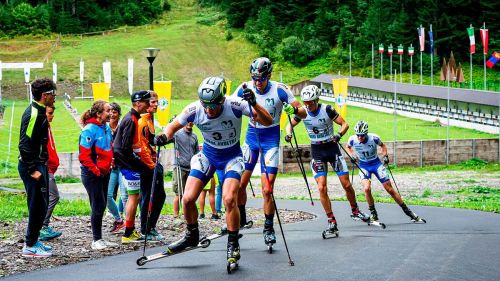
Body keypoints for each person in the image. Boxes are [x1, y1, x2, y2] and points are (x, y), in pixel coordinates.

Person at [163, 76, 272, 264]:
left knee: (230, 199)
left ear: (222, 100)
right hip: (207, 155)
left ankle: (233, 242)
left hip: (232, 157)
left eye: (213, 106)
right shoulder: (195, 109)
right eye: (205, 105)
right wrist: (162, 137)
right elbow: (172, 127)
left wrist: (254, 104)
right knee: (187, 199)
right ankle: (191, 234)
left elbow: (267, 121)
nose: (208, 110)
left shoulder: (236, 104)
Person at [233, 57, 304, 245]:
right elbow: (229, 106)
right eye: (254, 78)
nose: (257, 82)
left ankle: (268, 227)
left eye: (261, 78)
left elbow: (303, 112)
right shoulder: (245, 88)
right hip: (251, 137)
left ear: (269, 75)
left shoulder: (280, 89)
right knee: (239, 184)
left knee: (267, 190)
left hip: (271, 140)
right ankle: (241, 219)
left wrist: (293, 110)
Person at [285, 85, 369, 235]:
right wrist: (289, 134)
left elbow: (345, 124)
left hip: (332, 149)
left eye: (310, 102)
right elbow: (289, 125)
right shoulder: (303, 113)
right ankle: (331, 221)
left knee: (347, 185)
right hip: (317, 152)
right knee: (322, 187)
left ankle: (355, 210)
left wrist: (338, 135)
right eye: (305, 102)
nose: (308, 105)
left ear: (317, 99)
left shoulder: (327, 109)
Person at [346, 120, 424, 222]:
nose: (360, 137)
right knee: (366, 188)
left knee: (390, 189)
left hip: (376, 164)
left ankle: (408, 212)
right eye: (358, 135)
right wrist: (352, 155)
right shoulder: (352, 139)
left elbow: (383, 146)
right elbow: (348, 147)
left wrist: (385, 156)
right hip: (364, 166)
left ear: (366, 133)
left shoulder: (374, 138)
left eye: (362, 135)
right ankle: (373, 213)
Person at [18, 78, 57, 257]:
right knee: (37, 206)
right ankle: (30, 245)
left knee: (41, 205)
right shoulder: (34, 114)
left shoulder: (40, 111)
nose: (55, 97)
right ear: (45, 95)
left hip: (39, 164)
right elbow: (24, 145)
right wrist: (33, 169)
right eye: (53, 94)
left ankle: (33, 240)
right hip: (31, 167)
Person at [113, 90, 152, 244]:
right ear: (137, 103)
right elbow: (123, 146)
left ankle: (130, 230)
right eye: (146, 102)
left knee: (134, 197)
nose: (148, 105)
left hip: (127, 164)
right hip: (129, 165)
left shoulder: (133, 117)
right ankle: (128, 232)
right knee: (133, 197)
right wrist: (136, 164)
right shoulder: (131, 119)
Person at [79, 100, 118, 250]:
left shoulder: (106, 127)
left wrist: (112, 160)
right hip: (92, 174)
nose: (110, 113)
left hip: (105, 172)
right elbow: (84, 156)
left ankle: (100, 238)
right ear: (98, 114)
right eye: (108, 111)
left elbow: (109, 147)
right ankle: (96, 240)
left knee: (101, 205)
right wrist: (96, 171)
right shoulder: (89, 130)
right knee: (98, 204)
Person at [138, 91, 166, 241]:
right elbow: (142, 147)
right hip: (148, 165)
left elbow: (150, 142)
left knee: (159, 195)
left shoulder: (149, 119)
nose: (155, 105)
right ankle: (145, 229)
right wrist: (151, 165)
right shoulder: (142, 121)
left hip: (154, 161)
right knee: (149, 196)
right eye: (152, 102)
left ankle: (151, 227)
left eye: (156, 102)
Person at [39, 105, 63, 241]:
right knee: (54, 196)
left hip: (49, 168)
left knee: (48, 197)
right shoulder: (41, 127)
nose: (52, 116)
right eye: (50, 113)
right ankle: (42, 226)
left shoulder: (47, 127)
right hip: (45, 168)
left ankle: (43, 226)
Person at [172, 122, 199, 219]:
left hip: (191, 167)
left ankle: (186, 213)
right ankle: (176, 215)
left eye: (192, 122)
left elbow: (196, 151)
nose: (190, 123)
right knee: (178, 193)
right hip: (179, 167)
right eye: (188, 122)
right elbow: (168, 136)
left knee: (189, 194)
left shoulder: (194, 136)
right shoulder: (177, 134)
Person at [106, 102, 127, 233]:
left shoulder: (123, 127)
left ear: (119, 114)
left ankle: (129, 224)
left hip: (123, 166)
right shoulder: (105, 128)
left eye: (115, 112)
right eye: (110, 111)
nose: (112, 114)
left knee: (125, 196)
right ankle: (118, 219)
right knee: (107, 195)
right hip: (111, 167)